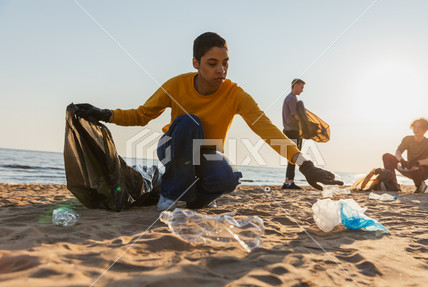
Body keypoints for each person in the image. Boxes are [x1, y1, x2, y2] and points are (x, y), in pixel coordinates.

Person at [75, 32, 342, 211]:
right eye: (213, 63)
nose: (221, 70)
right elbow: (142, 114)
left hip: (208, 155)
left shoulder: (236, 94)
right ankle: (169, 196)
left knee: (227, 180)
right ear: (196, 62)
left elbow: (266, 129)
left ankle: (190, 199)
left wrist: (305, 166)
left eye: (225, 63)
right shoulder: (176, 85)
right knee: (190, 122)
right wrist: (104, 113)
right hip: (174, 147)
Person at [382, 118, 428, 193]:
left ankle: (420, 185)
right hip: (408, 167)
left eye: (419, 128)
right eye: (415, 127)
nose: (416, 129)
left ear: (425, 130)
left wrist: (417, 162)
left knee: (415, 167)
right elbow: (398, 151)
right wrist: (401, 160)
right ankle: (392, 185)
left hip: (422, 170)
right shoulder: (408, 139)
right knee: (386, 156)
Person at [281, 78, 307, 189]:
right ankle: (289, 182)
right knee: (294, 157)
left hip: (289, 131)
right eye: (301, 87)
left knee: (292, 158)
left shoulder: (291, 98)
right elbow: (295, 114)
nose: (302, 90)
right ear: (295, 85)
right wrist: (305, 123)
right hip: (292, 132)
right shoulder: (291, 98)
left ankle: (288, 181)